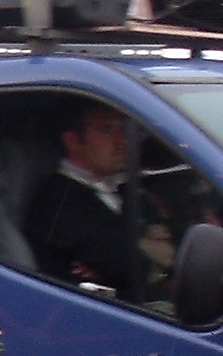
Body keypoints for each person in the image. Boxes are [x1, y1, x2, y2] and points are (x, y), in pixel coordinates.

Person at [22, 101, 157, 306]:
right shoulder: (59, 205)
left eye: (126, 129)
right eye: (108, 130)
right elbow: (135, 268)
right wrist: (153, 252)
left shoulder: (126, 188)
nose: (123, 140)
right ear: (73, 140)